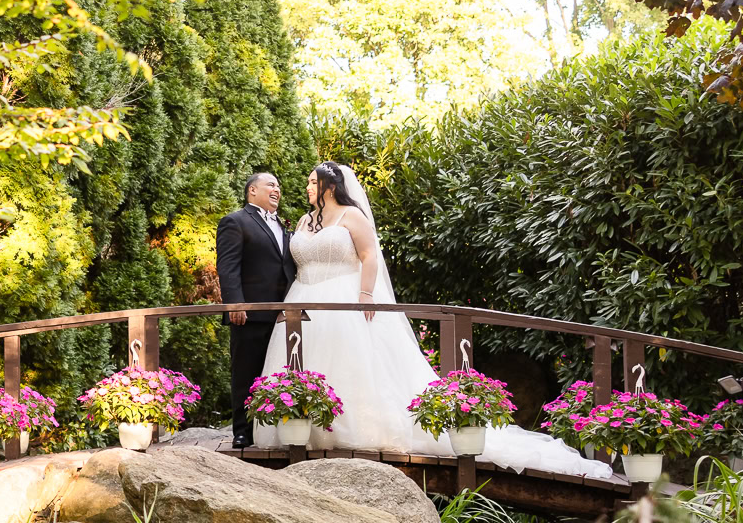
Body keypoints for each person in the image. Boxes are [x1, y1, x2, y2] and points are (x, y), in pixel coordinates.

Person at [256, 161, 612, 479]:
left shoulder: (352, 216)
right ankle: (304, 427)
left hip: (345, 296)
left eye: (313, 182)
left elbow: (369, 256)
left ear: (331, 186)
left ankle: (351, 433)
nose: (307, 188)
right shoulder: (304, 221)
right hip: (303, 299)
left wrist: (366, 295)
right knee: (306, 364)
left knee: (352, 363)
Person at [216, 170, 296, 449]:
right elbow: (227, 267)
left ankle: (275, 429)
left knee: (278, 372)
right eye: (271, 185)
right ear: (252, 191)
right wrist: (235, 303)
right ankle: (243, 431)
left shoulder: (283, 227)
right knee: (246, 372)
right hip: (248, 314)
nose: (277, 189)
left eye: (279, 186)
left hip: (283, 315)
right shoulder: (235, 222)